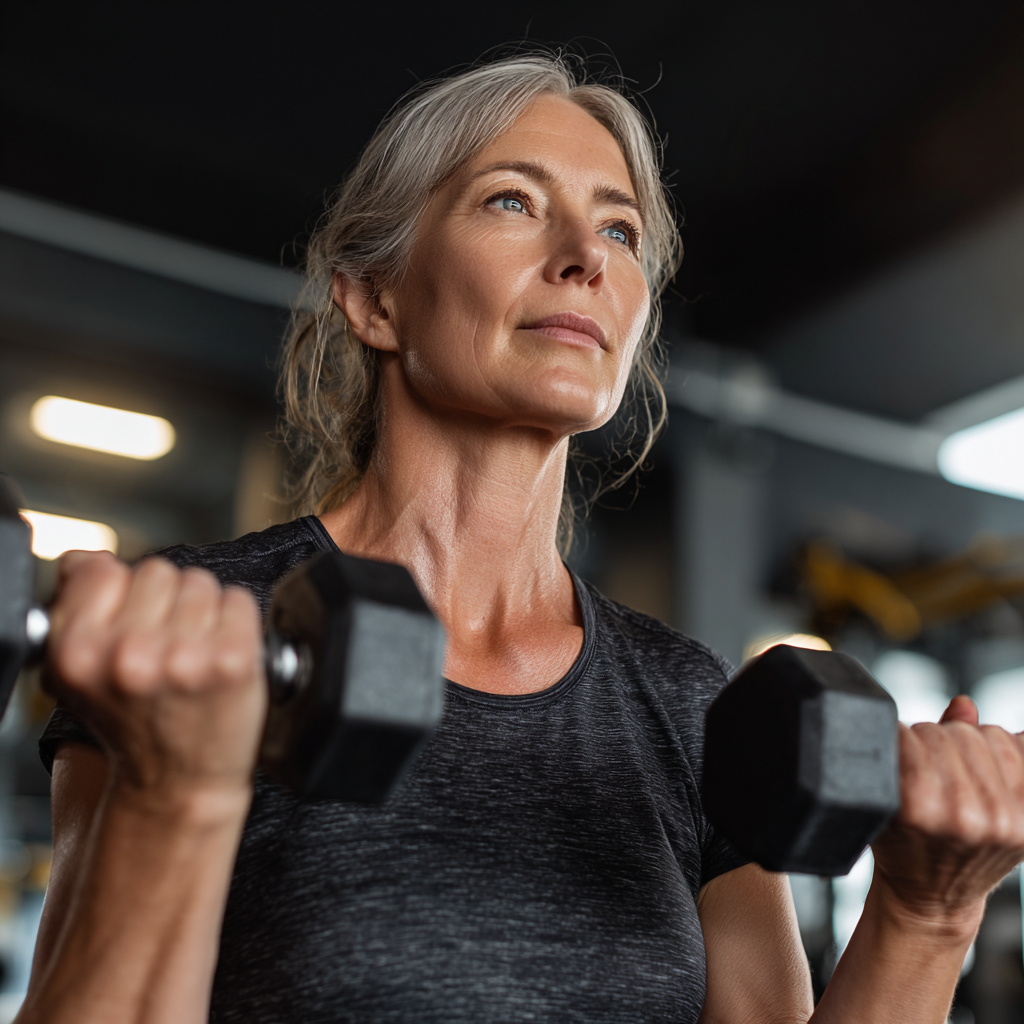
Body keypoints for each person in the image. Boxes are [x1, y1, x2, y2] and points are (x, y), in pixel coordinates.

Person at [20, 52, 1024, 1024]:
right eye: (512, 199)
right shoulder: (193, 628)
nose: (587, 257)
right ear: (374, 297)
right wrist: (174, 791)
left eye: (621, 231)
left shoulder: (691, 703)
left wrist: (926, 914)